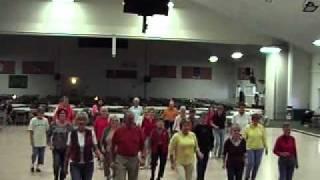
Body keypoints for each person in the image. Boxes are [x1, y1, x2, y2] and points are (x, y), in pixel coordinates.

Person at [64, 112, 104, 180]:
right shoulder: (71, 133)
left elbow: (95, 148)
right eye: (79, 120)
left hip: (88, 164)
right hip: (75, 164)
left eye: (83, 120)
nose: (81, 122)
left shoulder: (91, 133)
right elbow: (68, 151)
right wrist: (65, 166)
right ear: (76, 121)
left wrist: (100, 155)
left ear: (86, 121)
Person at [112, 111, 145, 180]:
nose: (130, 121)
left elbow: (142, 145)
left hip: (134, 159)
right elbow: (113, 145)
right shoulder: (119, 131)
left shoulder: (139, 130)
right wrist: (113, 160)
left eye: (132, 119)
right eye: (129, 119)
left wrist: (143, 157)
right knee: (120, 178)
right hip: (121, 158)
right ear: (124, 120)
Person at [48, 108, 73, 180]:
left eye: (64, 113)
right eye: (61, 113)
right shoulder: (53, 124)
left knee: (63, 167)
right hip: (56, 148)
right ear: (58, 115)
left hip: (66, 150)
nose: (62, 115)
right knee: (56, 165)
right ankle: (55, 177)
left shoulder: (69, 125)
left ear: (66, 115)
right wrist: (50, 144)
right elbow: (48, 135)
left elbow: (73, 136)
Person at [243, 114, 268, 180]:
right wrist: (242, 148)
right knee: (251, 163)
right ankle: (247, 176)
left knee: (257, 164)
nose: (256, 121)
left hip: (260, 148)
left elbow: (264, 137)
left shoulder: (261, 127)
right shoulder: (247, 127)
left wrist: (266, 147)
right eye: (254, 119)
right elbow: (244, 138)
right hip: (250, 148)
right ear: (252, 120)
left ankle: (253, 177)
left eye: (257, 119)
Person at [28, 107, 49, 173]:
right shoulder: (33, 120)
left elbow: (47, 131)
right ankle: (32, 165)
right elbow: (31, 131)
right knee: (34, 154)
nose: (41, 114)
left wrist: (48, 140)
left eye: (42, 113)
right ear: (37, 113)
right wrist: (31, 140)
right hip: (35, 141)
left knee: (41, 155)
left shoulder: (45, 120)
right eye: (39, 113)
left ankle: (38, 166)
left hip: (43, 141)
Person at [193, 115, 214, 180]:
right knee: (200, 163)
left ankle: (202, 177)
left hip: (207, 149)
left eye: (205, 118)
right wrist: (195, 147)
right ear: (200, 119)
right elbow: (194, 137)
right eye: (203, 118)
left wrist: (211, 146)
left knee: (205, 164)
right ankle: (199, 177)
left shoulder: (209, 127)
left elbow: (212, 138)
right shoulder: (197, 127)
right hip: (199, 149)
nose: (204, 119)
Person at [101, 116, 120, 180]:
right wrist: (102, 147)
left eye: (116, 120)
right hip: (107, 150)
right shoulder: (106, 129)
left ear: (118, 122)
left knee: (115, 166)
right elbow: (102, 140)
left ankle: (115, 176)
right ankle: (108, 176)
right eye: (112, 120)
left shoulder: (120, 130)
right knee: (106, 164)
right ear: (110, 122)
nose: (114, 122)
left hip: (117, 151)